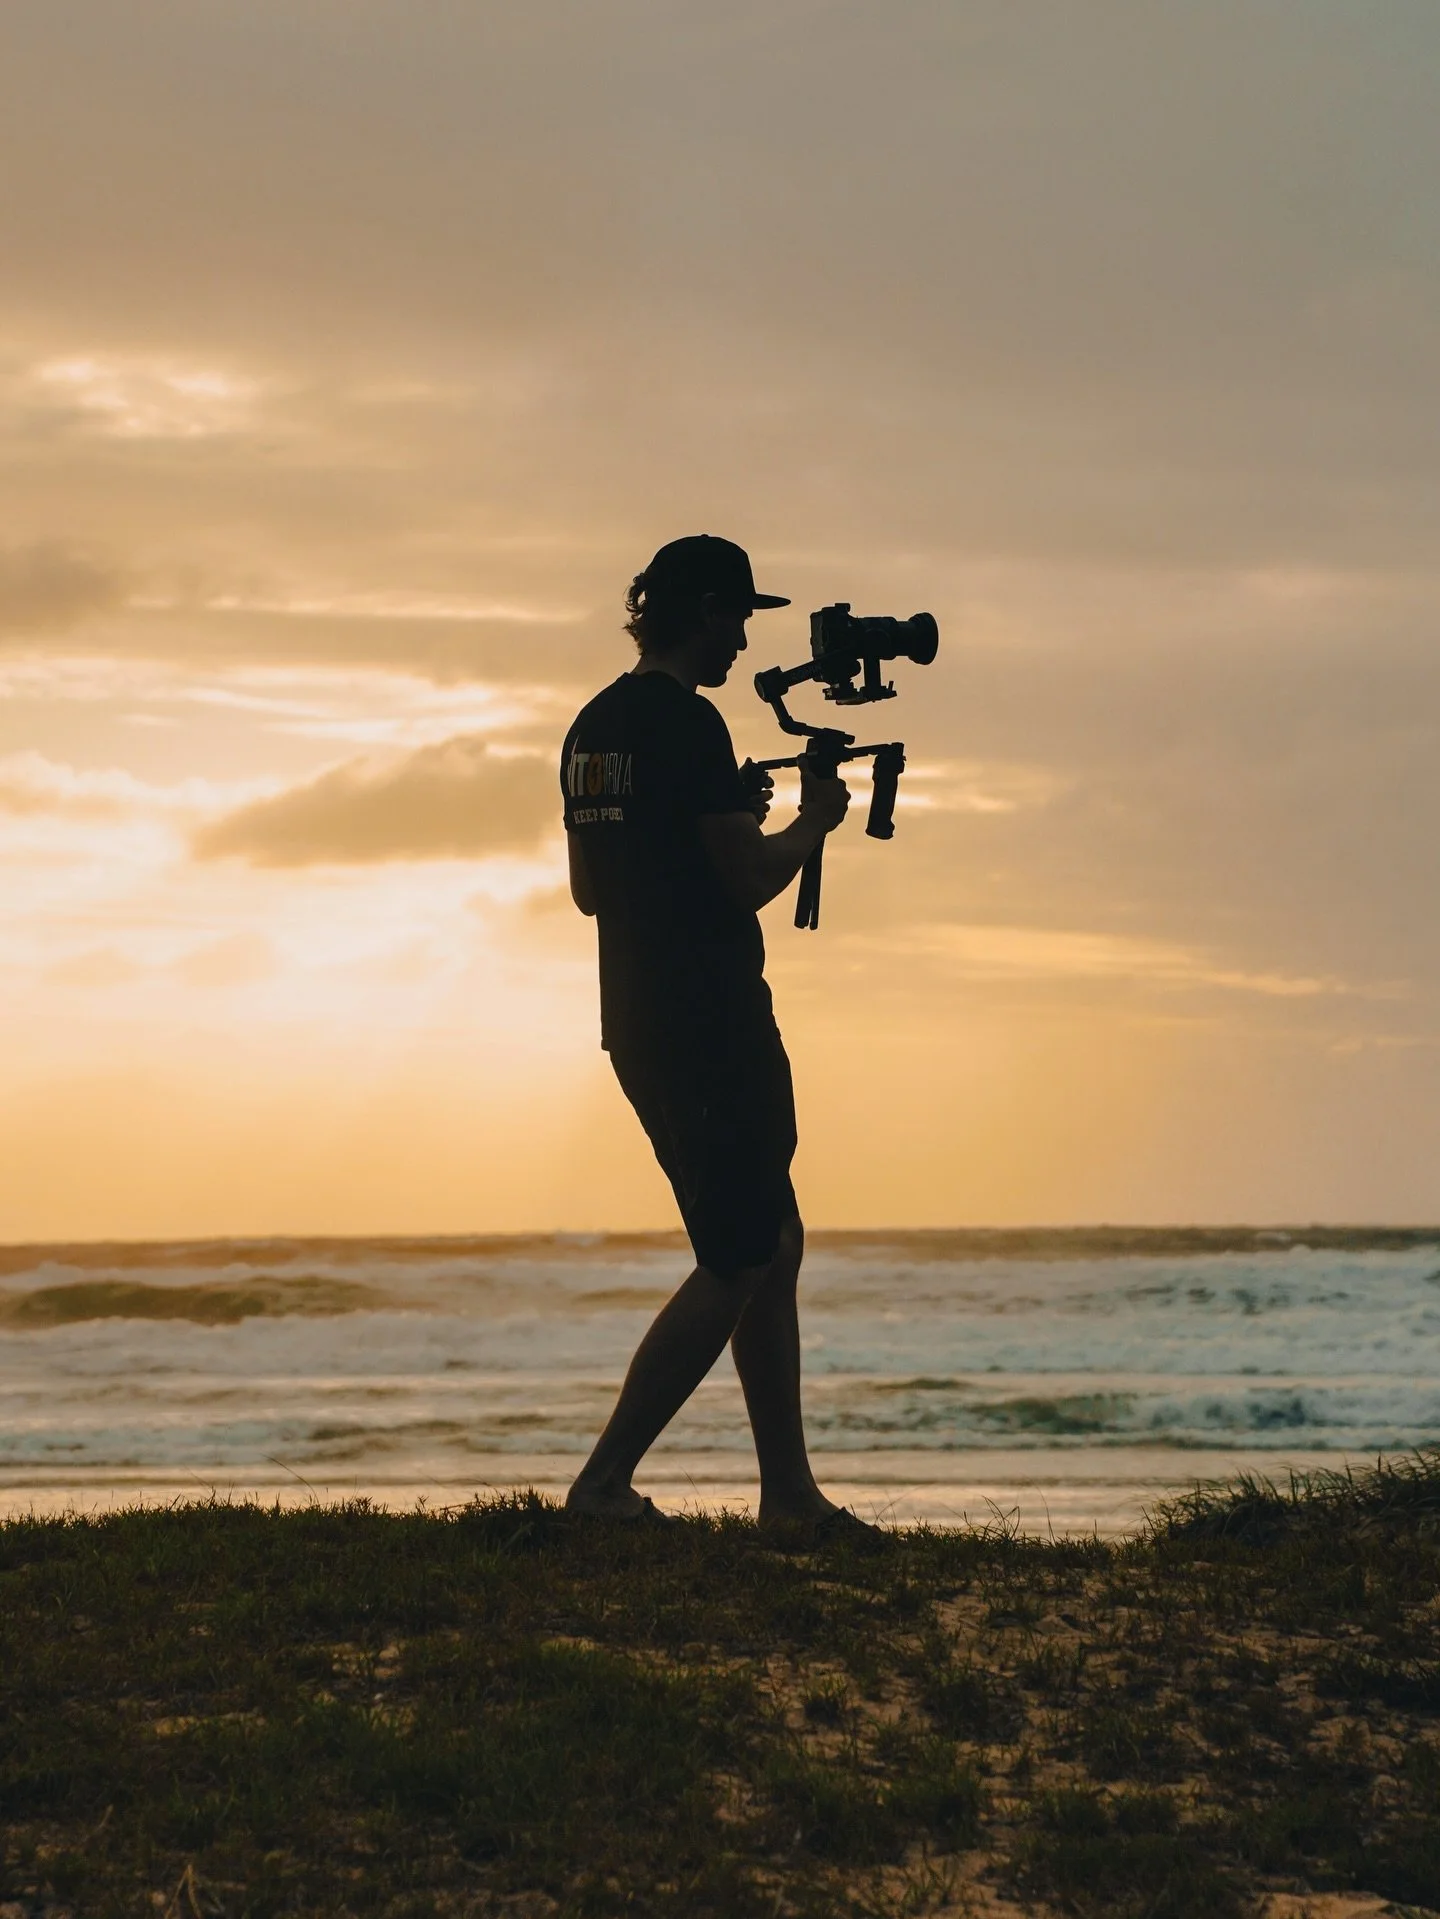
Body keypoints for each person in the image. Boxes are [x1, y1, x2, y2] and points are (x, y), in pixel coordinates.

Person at [560, 534, 876, 1540]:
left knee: (773, 1241)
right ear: (699, 610)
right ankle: (604, 1483)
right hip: (709, 1016)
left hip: (638, 1017)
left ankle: (788, 1494)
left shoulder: (594, 725)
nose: (744, 638)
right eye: (736, 616)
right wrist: (814, 820)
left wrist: (723, 817)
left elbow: (587, 890)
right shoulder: (690, 724)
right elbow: (745, 881)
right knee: (738, 1254)